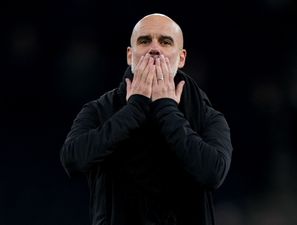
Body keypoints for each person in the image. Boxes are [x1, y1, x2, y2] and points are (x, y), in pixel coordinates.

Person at [60, 13, 233, 225]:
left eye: (165, 41)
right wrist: (135, 108)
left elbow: (213, 172)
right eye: (144, 40)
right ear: (129, 55)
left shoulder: (207, 116)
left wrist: (167, 109)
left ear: (181, 58)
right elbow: (72, 160)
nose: (154, 48)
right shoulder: (99, 110)